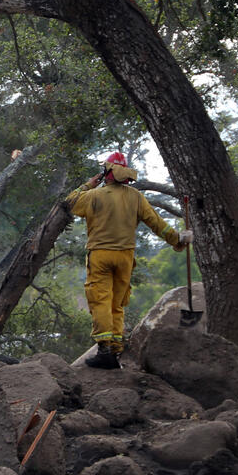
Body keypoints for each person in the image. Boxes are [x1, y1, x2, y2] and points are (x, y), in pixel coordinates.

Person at [66, 151, 192, 369]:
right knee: (117, 302)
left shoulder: (94, 196)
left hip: (100, 255)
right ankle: (115, 349)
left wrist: (87, 185)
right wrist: (178, 239)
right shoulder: (135, 197)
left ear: (108, 172)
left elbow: (69, 203)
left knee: (101, 300)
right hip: (125, 257)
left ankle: (105, 350)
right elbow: (157, 223)